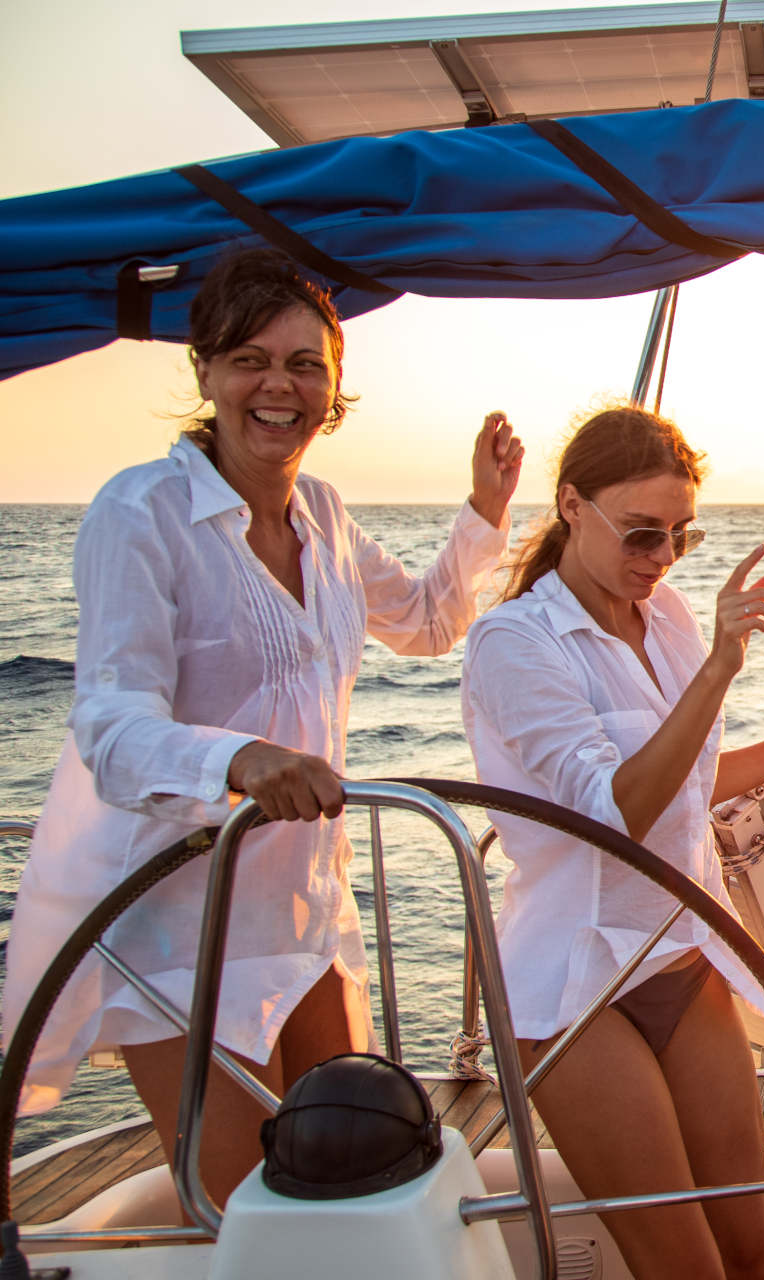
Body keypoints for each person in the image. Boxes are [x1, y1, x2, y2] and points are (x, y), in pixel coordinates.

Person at [0, 247, 521, 1207]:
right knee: (253, 1224)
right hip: (176, 925)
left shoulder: (322, 512)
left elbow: (424, 622)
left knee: (356, 1187)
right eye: (250, 358)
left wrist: (484, 512)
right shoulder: (138, 511)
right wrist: (241, 759)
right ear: (203, 371)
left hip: (308, 911)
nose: (278, 385)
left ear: (333, 388)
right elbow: (111, 726)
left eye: (305, 364)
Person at [460, 406, 764, 1280]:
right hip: (576, 985)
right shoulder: (513, 643)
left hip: (683, 955)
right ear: (572, 506)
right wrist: (722, 669)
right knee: (682, 1269)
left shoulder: (673, 616)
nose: (660, 559)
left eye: (680, 538)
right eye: (642, 534)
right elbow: (617, 814)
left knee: (750, 1257)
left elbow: (690, 783)